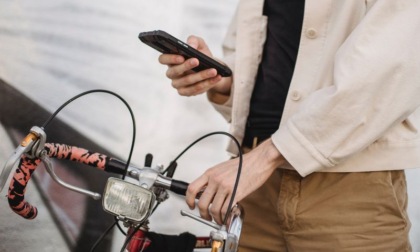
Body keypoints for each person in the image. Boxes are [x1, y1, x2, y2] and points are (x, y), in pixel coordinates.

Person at [158, 0, 420, 251]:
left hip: (347, 187)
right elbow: (270, 61)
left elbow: (389, 71)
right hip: (253, 188)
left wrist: (265, 157)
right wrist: (220, 80)